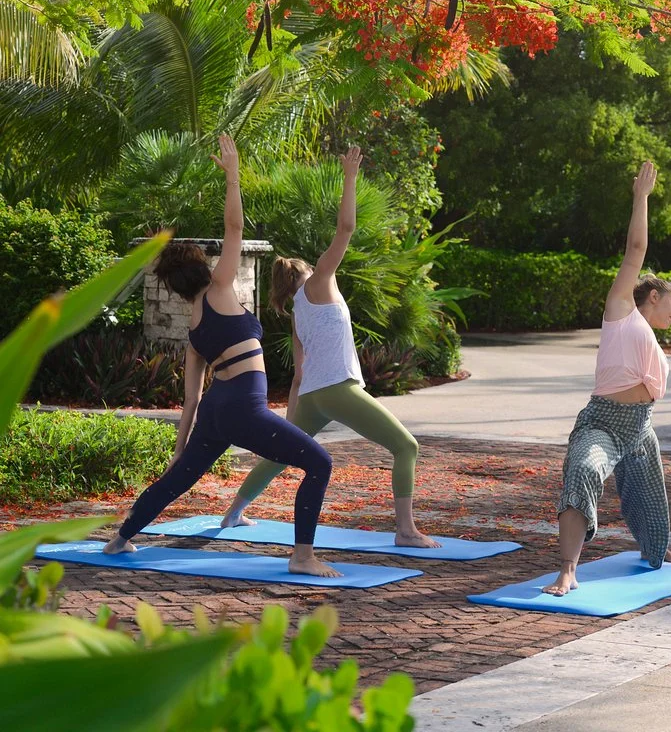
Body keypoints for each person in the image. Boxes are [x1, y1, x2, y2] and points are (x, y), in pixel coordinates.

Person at [104, 135, 340, 578]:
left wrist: (180, 452)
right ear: (203, 270)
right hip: (242, 408)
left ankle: (121, 538)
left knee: (179, 480)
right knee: (320, 462)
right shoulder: (220, 288)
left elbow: (192, 402)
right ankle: (302, 555)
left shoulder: (194, 330)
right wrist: (232, 177)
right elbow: (234, 229)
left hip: (217, 409)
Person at [221, 145, 439, 549]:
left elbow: (300, 373)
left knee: (280, 453)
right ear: (308, 271)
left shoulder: (299, 313)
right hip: (338, 389)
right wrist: (350, 177)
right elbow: (346, 230)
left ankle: (233, 512)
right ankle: (406, 531)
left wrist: (288, 422)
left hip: (315, 396)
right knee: (405, 446)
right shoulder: (319, 283)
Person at [544, 160, 671, 597]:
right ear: (653, 296)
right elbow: (635, 250)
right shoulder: (622, 313)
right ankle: (567, 568)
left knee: (652, 508)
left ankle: (660, 549)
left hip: (639, 428)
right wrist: (641, 198)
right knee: (583, 470)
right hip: (603, 422)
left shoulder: (652, 343)